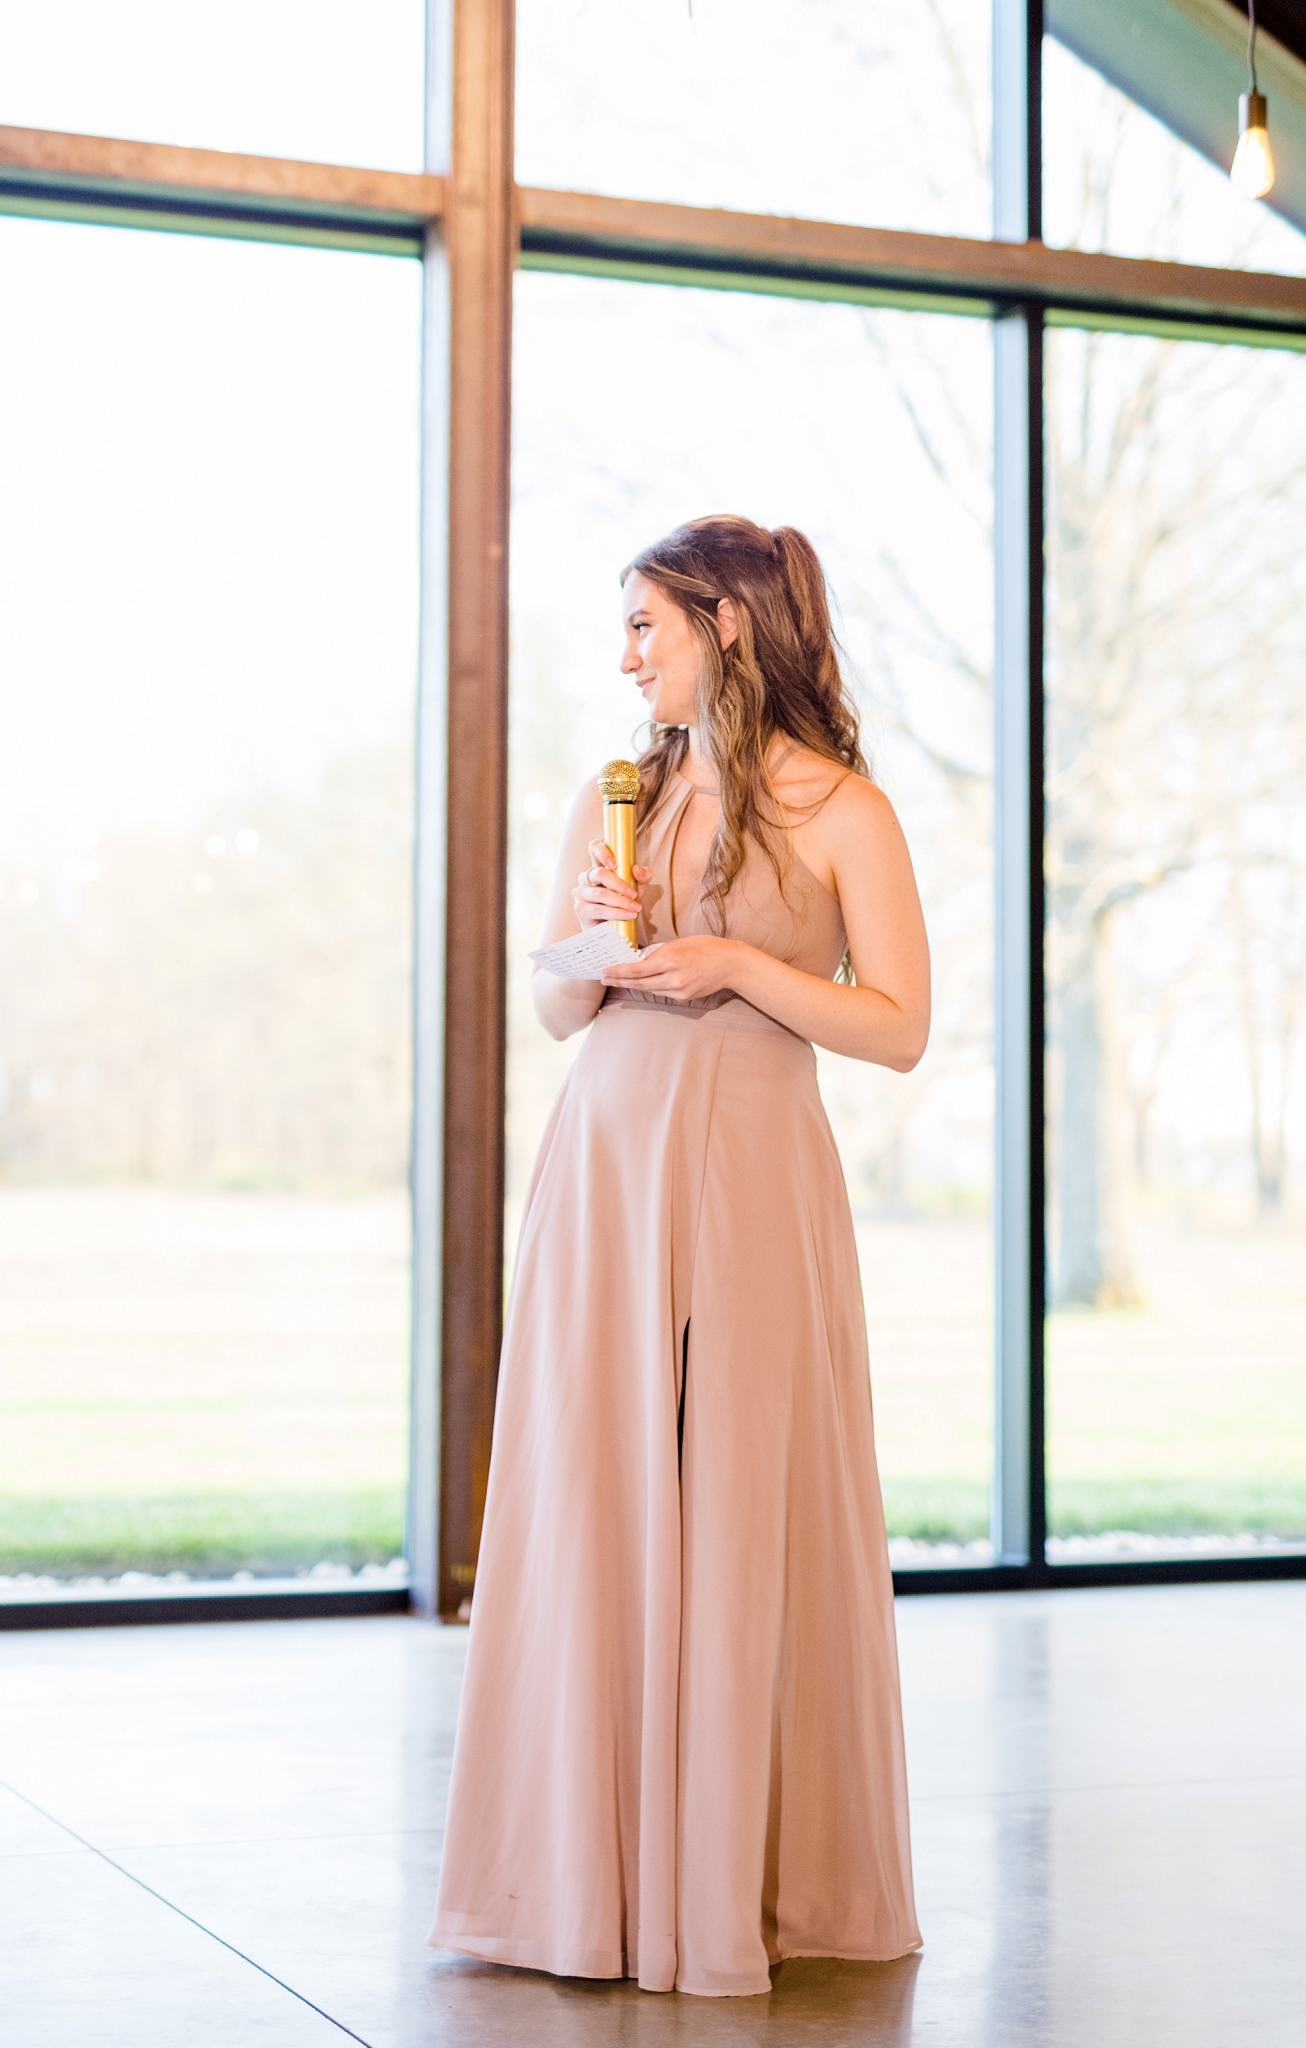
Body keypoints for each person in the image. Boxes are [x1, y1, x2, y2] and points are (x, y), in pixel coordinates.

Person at [428, 514, 928, 1998]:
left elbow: (899, 1026)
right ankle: (583, 1885)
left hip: (756, 1173)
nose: (627, 654)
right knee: (599, 1490)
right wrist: (597, 939)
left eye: (646, 623)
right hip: (606, 1163)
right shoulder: (619, 793)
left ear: (727, 623)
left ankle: (732, 1882)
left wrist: (739, 965)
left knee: (739, 1493)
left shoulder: (843, 808)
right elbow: (555, 1010)